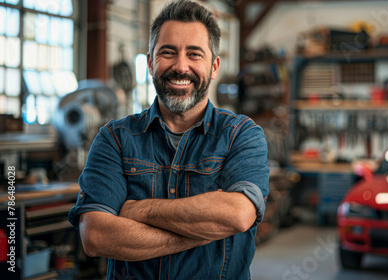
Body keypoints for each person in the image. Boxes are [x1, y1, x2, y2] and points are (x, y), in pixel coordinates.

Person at [67, 0, 270, 279]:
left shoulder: (241, 135)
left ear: (214, 67)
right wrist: (202, 234)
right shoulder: (115, 138)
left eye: (195, 54)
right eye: (168, 52)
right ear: (150, 62)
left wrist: (139, 210)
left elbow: (237, 215)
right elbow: (96, 236)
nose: (180, 66)